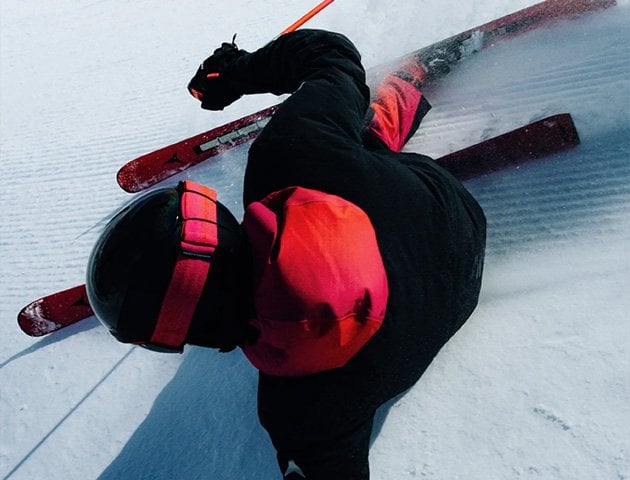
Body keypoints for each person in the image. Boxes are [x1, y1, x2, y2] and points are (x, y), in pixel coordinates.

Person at [86, 29, 486, 480]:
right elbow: (333, 57)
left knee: (342, 150)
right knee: (354, 139)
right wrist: (236, 74)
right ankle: (407, 81)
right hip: (445, 206)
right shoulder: (289, 154)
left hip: (458, 294)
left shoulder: (292, 410)